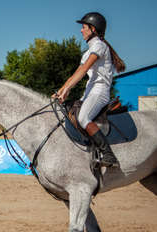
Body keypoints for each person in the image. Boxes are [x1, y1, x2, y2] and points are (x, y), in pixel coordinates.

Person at [53, 12, 125, 167]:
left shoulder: (99, 46)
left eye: (84, 27)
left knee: (83, 118)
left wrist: (68, 89)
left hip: (99, 92)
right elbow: (76, 74)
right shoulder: (88, 51)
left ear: (92, 29)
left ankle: (109, 155)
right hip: (90, 92)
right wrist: (60, 91)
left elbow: (84, 69)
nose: (81, 30)